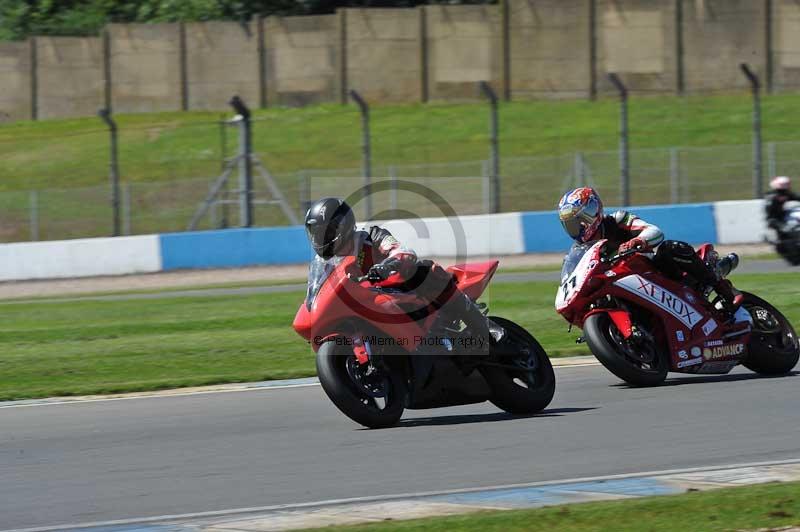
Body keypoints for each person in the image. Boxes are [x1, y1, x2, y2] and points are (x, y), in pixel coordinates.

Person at [304, 197, 502, 348]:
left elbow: (403, 252)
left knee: (424, 270)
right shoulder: (324, 263)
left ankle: (484, 326)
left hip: (398, 290)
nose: (321, 238)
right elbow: (319, 287)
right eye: (316, 233)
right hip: (366, 303)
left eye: (325, 232)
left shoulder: (370, 237)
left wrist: (387, 265)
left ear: (342, 226)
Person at [557, 187, 742, 312]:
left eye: (579, 221)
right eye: (571, 225)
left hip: (655, 272)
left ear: (593, 211)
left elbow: (655, 232)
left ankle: (723, 288)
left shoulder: (617, 220)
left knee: (670, 248)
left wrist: (638, 241)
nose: (577, 228)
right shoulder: (578, 251)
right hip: (622, 285)